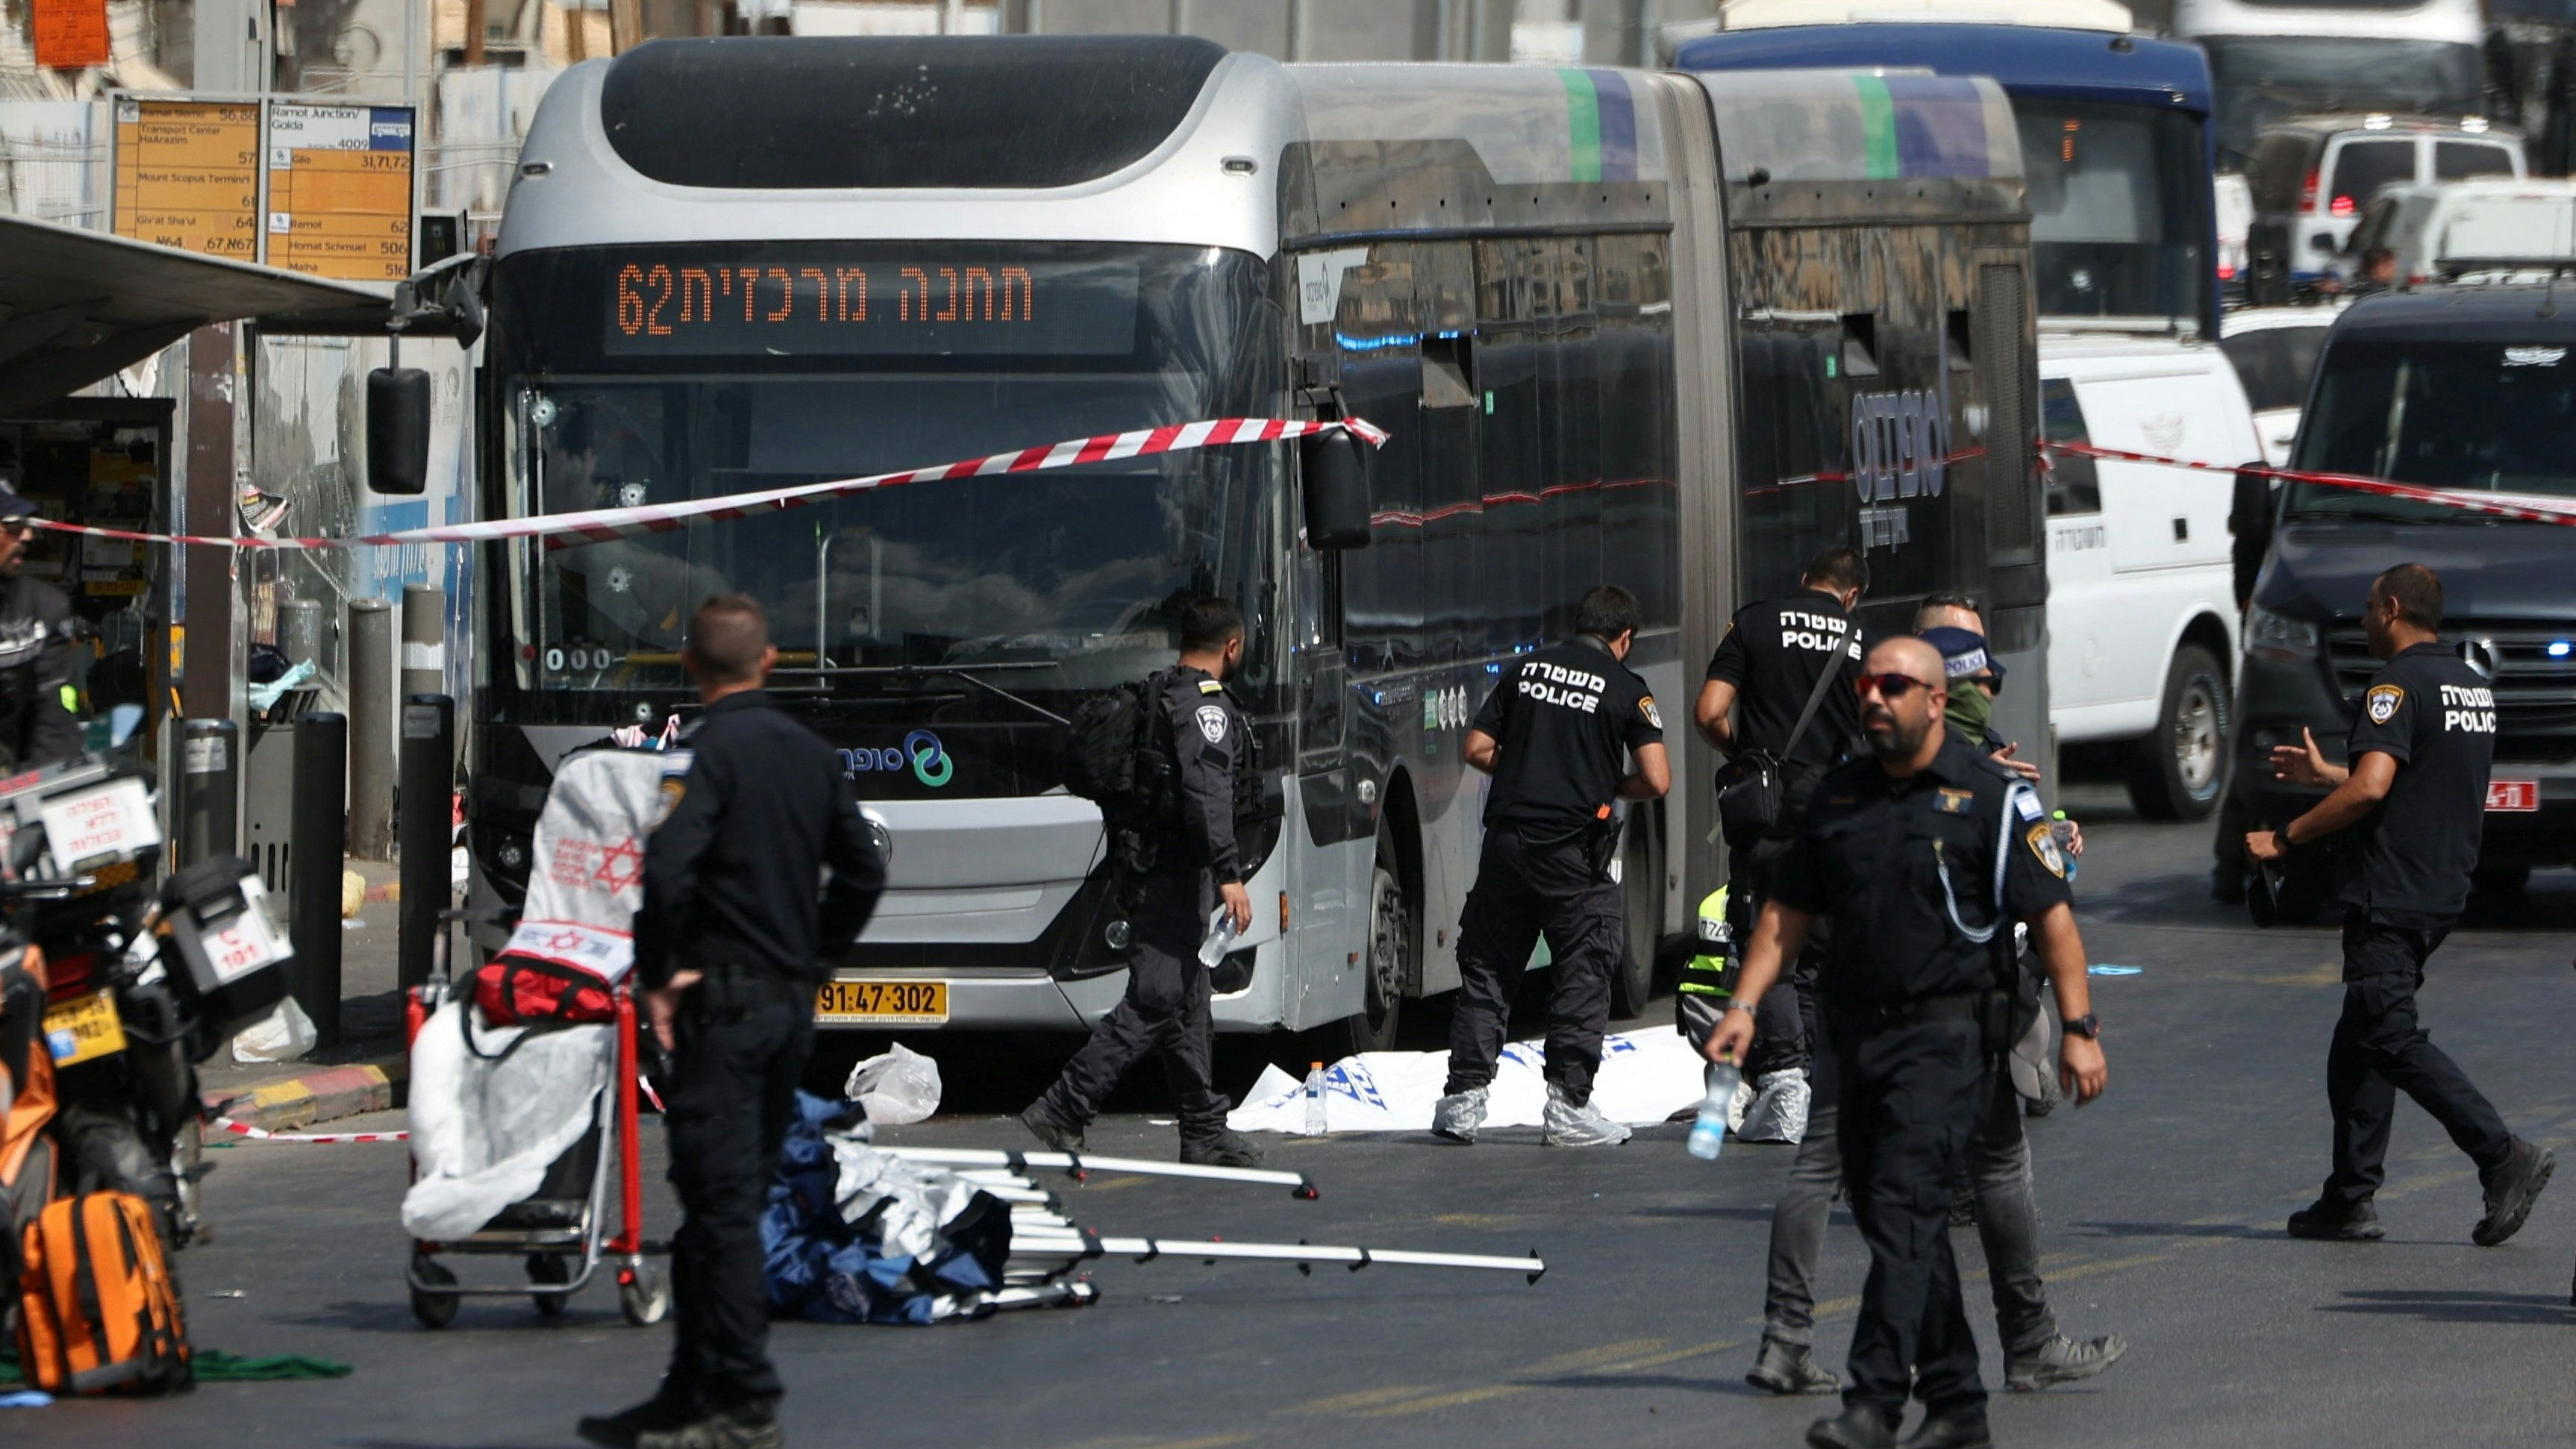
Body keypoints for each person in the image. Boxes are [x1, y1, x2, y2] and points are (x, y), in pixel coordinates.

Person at [1707, 636, 2110, 1449]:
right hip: (1856, 1041)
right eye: (1867, 685)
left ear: (1934, 700)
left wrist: (2078, 1029)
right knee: (1899, 1221)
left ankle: (1875, 1403)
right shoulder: (1838, 795)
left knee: (1902, 1212)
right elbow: (1785, 915)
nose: (1873, 698)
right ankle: (1958, 1404)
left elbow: (2053, 920)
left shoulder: (1990, 795)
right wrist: (1744, 1004)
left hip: (1949, 1039)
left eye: (1893, 686)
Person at [581, 596, 885, 1449]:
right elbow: (862, 872)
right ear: (771, 660)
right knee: (728, 1199)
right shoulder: (810, 753)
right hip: (787, 1007)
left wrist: (658, 979)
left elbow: (666, 871)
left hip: (721, 1009)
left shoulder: (702, 756)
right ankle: (690, 1389)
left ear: (689, 666)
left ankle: (745, 1404)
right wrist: (816, 958)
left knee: (719, 1209)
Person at [2247, 563, 2553, 1245]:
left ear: (2391, 609)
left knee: (2388, 1035)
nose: (2362, 621)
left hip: (2390, 891)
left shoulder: (2394, 685)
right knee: (2358, 1044)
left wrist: (2284, 838)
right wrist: (2328, 775)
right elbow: (2412, 777)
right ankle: (2348, 1198)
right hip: (2440, 887)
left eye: (2366, 609)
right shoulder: (2471, 686)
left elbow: (2371, 790)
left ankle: (2503, 1155)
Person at [1021, 598, 1269, 1168]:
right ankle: (1064, 1106)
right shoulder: (1204, 709)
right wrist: (1230, 874)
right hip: (1171, 877)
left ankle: (1203, 1129)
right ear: (1232, 647)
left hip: (1148, 867)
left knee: (1189, 1001)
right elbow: (1207, 795)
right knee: (1158, 997)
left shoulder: (1160, 692)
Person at [1434, 584, 1670, 1148]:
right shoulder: (1626, 688)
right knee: (1585, 967)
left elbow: (1476, 748)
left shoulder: (1525, 670)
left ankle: (1462, 1102)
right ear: (1625, 637)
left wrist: (1528, 770)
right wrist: (1606, 784)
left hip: (1507, 845)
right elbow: (1657, 779)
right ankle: (1568, 1107)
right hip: (1573, 853)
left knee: (1489, 967)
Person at [1694, 547, 1868, 1135]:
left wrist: (1746, 755)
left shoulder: (1755, 621)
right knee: (1819, 949)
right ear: (1851, 595)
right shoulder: (1864, 641)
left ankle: (1784, 1082)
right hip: (1840, 811)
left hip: (1768, 811)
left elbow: (1709, 711)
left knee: (1766, 939)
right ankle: (1809, 1082)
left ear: (1804, 579)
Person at [0, 485, 83, 772]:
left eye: (26, 526)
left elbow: (51, 707)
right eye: (12, 526)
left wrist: (52, 781)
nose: (27, 535)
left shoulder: (44, 607)